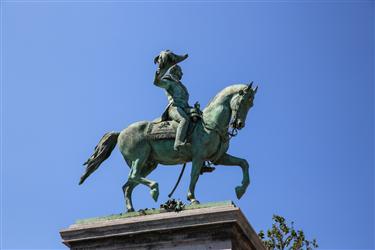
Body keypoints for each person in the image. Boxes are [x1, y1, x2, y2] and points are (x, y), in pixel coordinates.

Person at [154, 64, 190, 151]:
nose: (182, 73)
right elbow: (157, 83)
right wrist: (158, 74)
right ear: (174, 71)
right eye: (180, 71)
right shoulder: (169, 81)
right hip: (174, 107)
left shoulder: (181, 85)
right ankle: (178, 142)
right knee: (184, 120)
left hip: (185, 108)